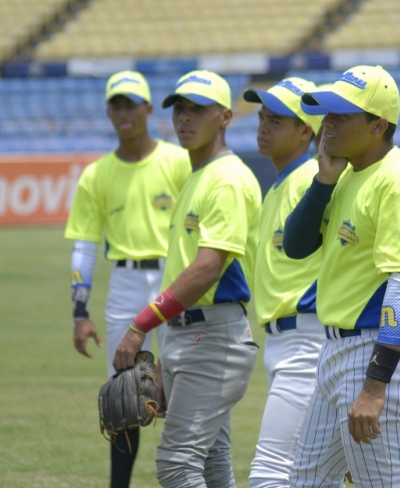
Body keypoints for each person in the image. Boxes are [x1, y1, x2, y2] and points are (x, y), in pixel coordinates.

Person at [282, 65, 400, 487]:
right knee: (306, 482)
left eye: (341, 115)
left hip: (373, 354)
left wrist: (374, 386)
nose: (327, 124)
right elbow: (295, 246)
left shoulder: (397, 183)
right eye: (327, 113)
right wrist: (323, 180)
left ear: (378, 125)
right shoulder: (347, 173)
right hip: (336, 353)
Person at [111, 70, 261, 488]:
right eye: (179, 108)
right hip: (192, 335)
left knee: (177, 465)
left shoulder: (227, 178)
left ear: (226, 116)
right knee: (211, 465)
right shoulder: (199, 176)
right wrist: (168, 352)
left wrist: (141, 325)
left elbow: (207, 269)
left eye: (198, 109)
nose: (185, 118)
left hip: (213, 339)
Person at [64, 70, 190, 488]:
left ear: (149, 109)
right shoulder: (96, 175)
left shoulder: (178, 161)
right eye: (116, 105)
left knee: (182, 385)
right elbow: (84, 246)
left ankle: (186, 474)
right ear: (108, 111)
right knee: (122, 399)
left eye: (131, 105)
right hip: (124, 283)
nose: (124, 113)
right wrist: (80, 311)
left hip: (174, 279)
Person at [241, 77, 326, 488]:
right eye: (262, 117)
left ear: (306, 131)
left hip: (306, 342)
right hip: (284, 342)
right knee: (310, 475)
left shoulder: (311, 181)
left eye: (276, 120)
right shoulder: (279, 186)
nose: (263, 126)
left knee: (269, 473)